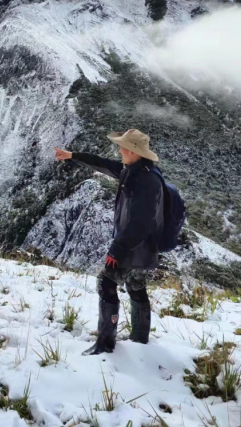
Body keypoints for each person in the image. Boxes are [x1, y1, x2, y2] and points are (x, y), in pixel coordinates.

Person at [54, 129, 163, 355]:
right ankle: (140, 338)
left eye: (123, 147)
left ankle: (105, 343)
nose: (120, 150)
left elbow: (141, 222)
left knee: (106, 282)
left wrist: (118, 249)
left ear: (134, 151)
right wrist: (73, 155)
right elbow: (103, 164)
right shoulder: (136, 170)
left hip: (133, 246)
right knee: (135, 285)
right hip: (144, 246)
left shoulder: (143, 180)